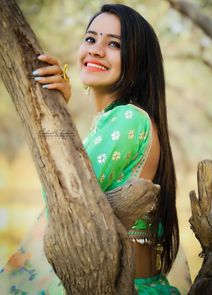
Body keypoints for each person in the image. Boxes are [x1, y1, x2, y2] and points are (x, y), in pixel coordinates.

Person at [0, 4, 191, 294]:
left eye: (114, 44)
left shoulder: (128, 117)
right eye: (90, 38)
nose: (96, 50)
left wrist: (54, 114)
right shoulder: (118, 121)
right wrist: (58, 109)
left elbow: (64, 198)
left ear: (139, 60)